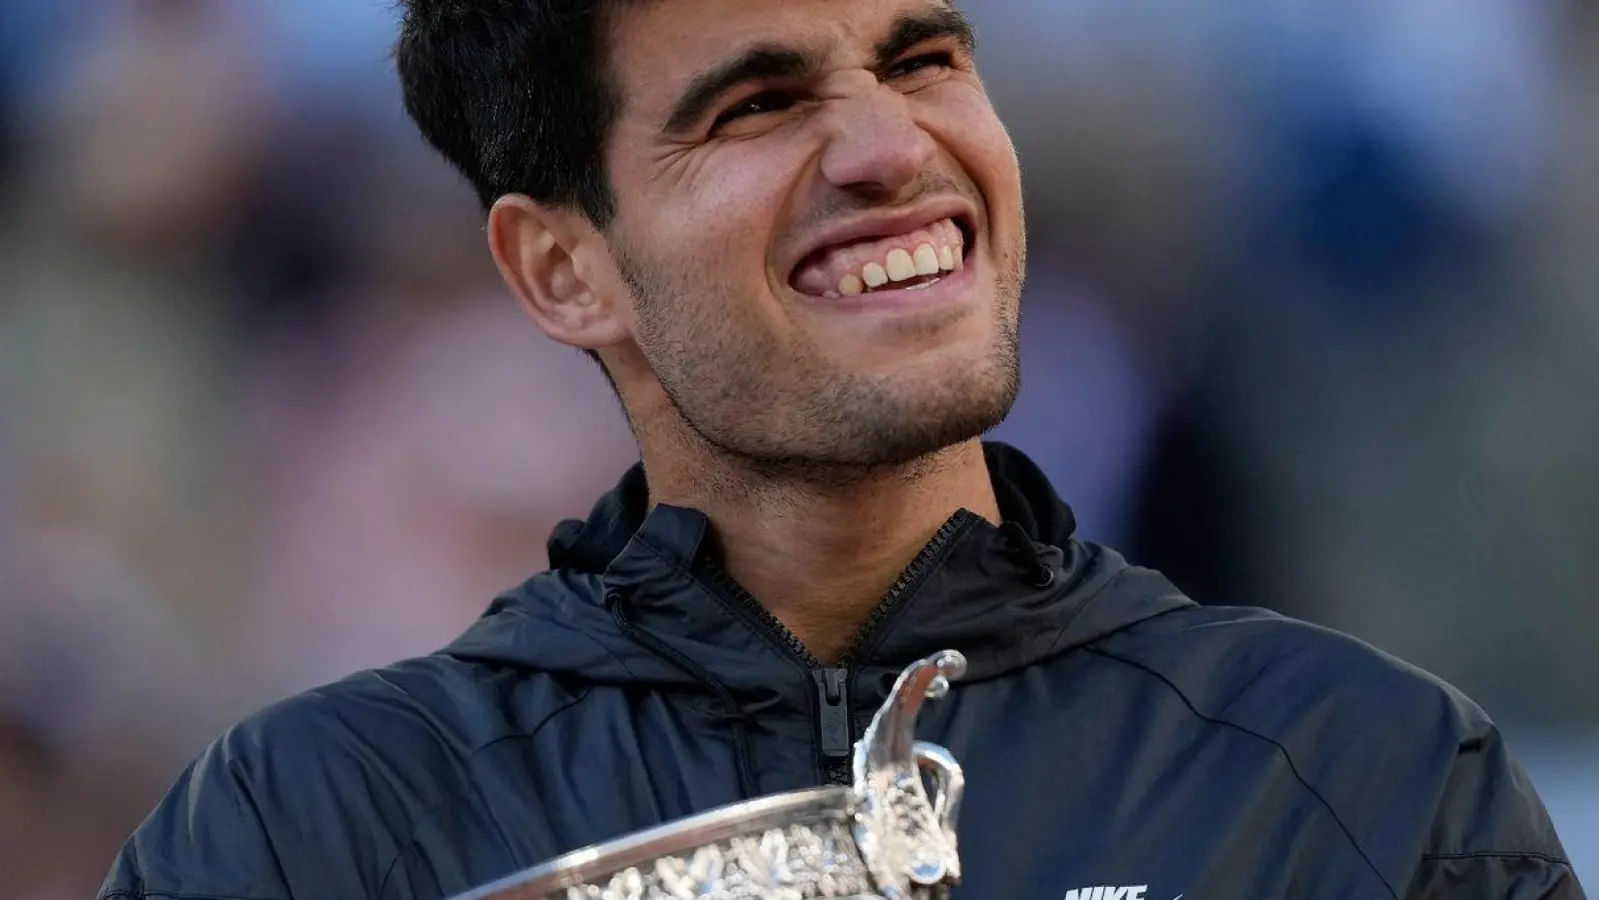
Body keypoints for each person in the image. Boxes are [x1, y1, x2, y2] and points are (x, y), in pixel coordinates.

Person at [99, 1, 1584, 898]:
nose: (892, 148)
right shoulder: (319, 826)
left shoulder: (1352, 770)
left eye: (922, 57)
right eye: (756, 104)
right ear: (562, 269)